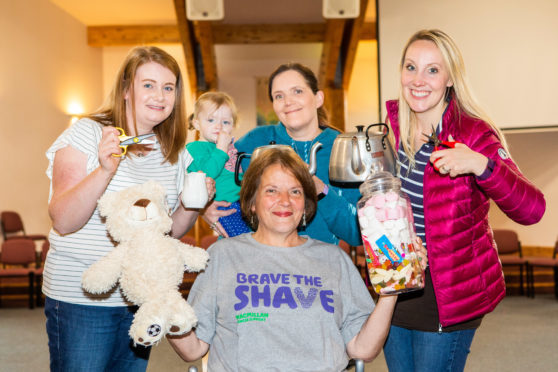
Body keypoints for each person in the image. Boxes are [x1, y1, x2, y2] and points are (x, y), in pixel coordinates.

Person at [168, 148, 426, 371]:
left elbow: (363, 349)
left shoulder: (334, 260)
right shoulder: (222, 255)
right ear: (252, 202)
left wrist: (394, 286)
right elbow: (192, 350)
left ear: (305, 203)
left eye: (295, 191)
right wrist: (161, 299)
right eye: (272, 190)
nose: (285, 201)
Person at [382, 29, 546, 371]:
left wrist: (482, 165)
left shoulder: (474, 133)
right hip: (397, 288)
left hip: (448, 298)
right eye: (411, 67)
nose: (418, 80)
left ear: (450, 78)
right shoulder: (393, 126)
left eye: (432, 69)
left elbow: (533, 209)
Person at [44, 46, 213, 372]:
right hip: (81, 298)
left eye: (168, 87)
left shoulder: (173, 152)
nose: (160, 96)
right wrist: (105, 169)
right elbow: (63, 221)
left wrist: (193, 205)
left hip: (138, 298)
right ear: (125, 90)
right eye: (148, 84)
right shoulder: (88, 132)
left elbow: (167, 234)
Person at [203, 63, 362, 246]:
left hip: (316, 266)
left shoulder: (345, 148)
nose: (288, 101)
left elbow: (356, 233)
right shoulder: (255, 140)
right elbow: (212, 172)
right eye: (279, 96)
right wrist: (204, 207)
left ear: (318, 98)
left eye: (297, 91)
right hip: (254, 263)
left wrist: (322, 192)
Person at [186, 91, 250, 237]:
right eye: (211, 120)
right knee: (239, 242)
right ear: (196, 123)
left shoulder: (233, 148)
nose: (219, 126)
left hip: (245, 204)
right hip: (224, 207)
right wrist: (221, 148)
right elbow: (206, 175)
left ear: (233, 126)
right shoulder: (194, 149)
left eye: (226, 122)